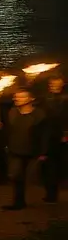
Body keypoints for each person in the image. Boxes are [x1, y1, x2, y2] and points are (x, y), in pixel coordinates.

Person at [1, 90, 48, 211]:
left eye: (21, 97)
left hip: (32, 150)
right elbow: (8, 131)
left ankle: (49, 197)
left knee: (33, 177)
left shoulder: (39, 115)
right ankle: (18, 202)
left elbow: (45, 135)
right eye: (15, 97)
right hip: (15, 150)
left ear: (31, 99)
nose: (17, 99)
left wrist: (43, 152)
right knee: (16, 177)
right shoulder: (12, 113)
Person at [41, 74, 68, 203]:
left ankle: (56, 189)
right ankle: (51, 193)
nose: (54, 86)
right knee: (49, 166)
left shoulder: (65, 99)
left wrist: (65, 133)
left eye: (57, 84)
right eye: (52, 84)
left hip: (62, 137)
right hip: (48, 136)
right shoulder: (45, 98)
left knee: (60, 165)